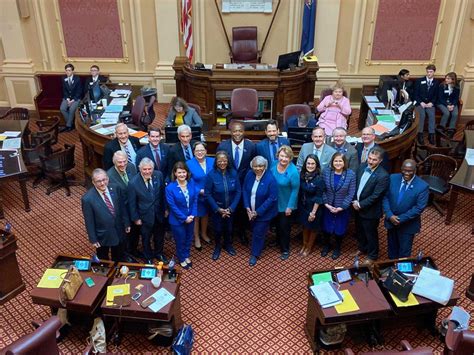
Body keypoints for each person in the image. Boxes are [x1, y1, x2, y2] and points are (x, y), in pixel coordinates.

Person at [216, 120, 256, 244]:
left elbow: (253, 165)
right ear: (231, 132)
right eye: (235, 131)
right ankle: (228, 233)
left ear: (244, 132)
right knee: (229, 207)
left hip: (245, 183)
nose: (237, 133)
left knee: (242, 209)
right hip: (227, 183)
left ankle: (242, 232)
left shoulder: (251, 146)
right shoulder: (223, 146)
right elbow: (219, 164)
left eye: (240, 131)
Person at [383, 159, 429, 259]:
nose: (406, 173)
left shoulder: (422, 186)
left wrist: (400, 219)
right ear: (401, 169)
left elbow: (419, 208)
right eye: (404, 170)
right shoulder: (393, 178)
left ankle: (401, 273)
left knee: (404, 253)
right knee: (392, 249)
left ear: (415, 171)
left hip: (407, 225)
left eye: (410, 171)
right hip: (391, 221)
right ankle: (392, 268)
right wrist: (390, 215)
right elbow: (385, 197)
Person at [81, 168, 129, 261]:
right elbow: (89, 221)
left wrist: (126, 223)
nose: (102, 183)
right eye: (99, 181)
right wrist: (93, 239)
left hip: (119, 230)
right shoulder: (87, 199)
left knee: (119, 256)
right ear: (93, 182)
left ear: (107, 179)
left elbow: (122, 207)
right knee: (103, 259)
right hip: (102, 235)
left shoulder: (115, 188)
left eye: (104, 180)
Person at [352, 147, 389, 263]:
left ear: (380, 161)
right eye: (369, 158)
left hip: (370, 211)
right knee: (360, 230)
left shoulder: (383, 175)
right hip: (356, 206)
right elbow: (355, 184)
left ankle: (372, 255)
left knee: (371, 234)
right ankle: (362, 248)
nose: (371, 161)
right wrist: (354, 201)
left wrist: (360, 204)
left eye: (374, 160)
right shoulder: (362, 166)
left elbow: (375, 196)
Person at [128, 158, 167, 264]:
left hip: (159, 213)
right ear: (140, 169)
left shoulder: (159, 175)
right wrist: (136, 218)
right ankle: (148, 256)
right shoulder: (133, 183)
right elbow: (132, 203)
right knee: (146, 238)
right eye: (144, 169)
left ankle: (159, 253)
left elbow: (163, 194)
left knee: (159, 236)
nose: (147, 171)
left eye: (150, 169)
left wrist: (166, 209)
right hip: (144, 216)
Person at [205, 151, 241, 260]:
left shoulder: (233, 173)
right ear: (216, 162)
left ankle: (228, 245)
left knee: (229, 229)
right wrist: (218, 209)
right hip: (217, 209)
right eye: (219, 161)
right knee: (218, 229)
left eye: (224, 160)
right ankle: (217, 246)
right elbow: (208, 193)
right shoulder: (211, 175)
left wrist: (231, 208)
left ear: (228, 161)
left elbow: (239, 191)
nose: (222, 163)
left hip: (231, 209)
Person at [243, 156, 278, 266]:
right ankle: (259, 244)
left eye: (260, 166)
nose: (258, 168)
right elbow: (244, 190)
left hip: (264, 213)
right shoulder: (249, 174)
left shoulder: (270, 179)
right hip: (250, 210)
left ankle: (255, 254)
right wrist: (247, 207)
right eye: (255, 166)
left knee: (258, 232)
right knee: (255, 230)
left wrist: (257, 212)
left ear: (265, 166)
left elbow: (272, 198)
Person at [321, 153, 356, 259]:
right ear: (332, 162)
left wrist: (342, 207)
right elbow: (322, 189)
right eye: (336, 161)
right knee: (326, 228)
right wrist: (326, 204)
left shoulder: (351, 174)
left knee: (339, 230)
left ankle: (337, 248)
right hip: (328, 206)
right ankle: (326, 246)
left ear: (344, 162)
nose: (338, 163)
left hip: (342, 207)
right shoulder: (327, 172)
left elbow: (351, 193)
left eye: (340, 161)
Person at [166, 162, 199, 269]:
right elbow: (172, 206)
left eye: (184, 172)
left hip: (191, 217)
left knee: (189, 238)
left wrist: (193, 215)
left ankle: (186, 255)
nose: (182, 175)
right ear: (175, 173)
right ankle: (181, 258)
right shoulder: (170, 188)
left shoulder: (191, 183)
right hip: (177, 220)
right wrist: (184, 218)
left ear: (187, 173)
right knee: (181, 240)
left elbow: (195, 200)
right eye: (179, 172)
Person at [107, 151, 138, 259]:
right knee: (125, 233)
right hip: (121, 209)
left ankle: (134, 250)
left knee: (135, 231)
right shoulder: (109, 176)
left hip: (134, 206)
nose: (123, 164)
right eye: (119, 162)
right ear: (114, 162)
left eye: (124, 161)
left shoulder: (131, 167)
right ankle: (125, 254)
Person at [270, 145, 300, 260]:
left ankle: (285, 249)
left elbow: (295, 190)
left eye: (286, 157)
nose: (283, 159)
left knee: (284, 228)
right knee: (276, 225)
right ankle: (278, 242)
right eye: (282, 156)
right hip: (274, 202)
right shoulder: (273, 164)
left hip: (286, 204)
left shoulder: (293, 171)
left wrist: (290, 207)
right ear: (278, 155)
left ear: (290, 158)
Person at [187, 142, 215, 250]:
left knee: (206, 215)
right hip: (196, 195)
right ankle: (197, 237)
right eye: (197, 150)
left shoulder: (212, 161)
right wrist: (199, 190)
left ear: (206, 151)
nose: (200, 152)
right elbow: (188, 181)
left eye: (202, 150)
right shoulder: (189, 164)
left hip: (210, 195)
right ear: (193, 152)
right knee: (197, 217)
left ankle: (203, 234)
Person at [298, 154, 324, 257]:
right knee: (305, 226)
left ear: (316, 165)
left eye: (313, 163)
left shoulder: (319, 179)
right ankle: (304, 245)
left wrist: (313, 213)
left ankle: (309, 247)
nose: (310, 165)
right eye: (308, 163)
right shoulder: (302, 175)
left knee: (313, 228)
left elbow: (318, 197)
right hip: (303, 206)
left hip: (314, 208)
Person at [414, 64, 438, 145]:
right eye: (428, 72)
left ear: (434, 72)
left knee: (431, 115)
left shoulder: (436, 82)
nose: (429, 73)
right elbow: (415, 94)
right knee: (422, 115)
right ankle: (420, 133)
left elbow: (436, 95)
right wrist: (421, 102)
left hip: (430, 103)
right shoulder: (419, 81)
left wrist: (432, 103)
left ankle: (431, 134)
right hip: (420, 103)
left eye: (431, 72)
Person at [59, 63, 82, 132]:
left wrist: (72, 101)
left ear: (72, 71)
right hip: (67, 98)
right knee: (62, 108)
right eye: (66, 70)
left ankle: (68, 126)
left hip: (76, 98)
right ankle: (71, 124)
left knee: (72, 109)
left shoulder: (77, 79)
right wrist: (68, 100)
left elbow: (79, 91)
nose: (67, 72)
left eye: (69, 70)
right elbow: (64, 90)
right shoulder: (63, 78)